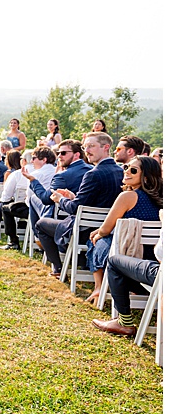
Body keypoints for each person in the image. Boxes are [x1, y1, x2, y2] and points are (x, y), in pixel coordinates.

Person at [36, 132, 125, 278]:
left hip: (86, 231)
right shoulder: (120, 171)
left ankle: (58, 268)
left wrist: (60, 199)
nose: (87, 150)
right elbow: (97, 201)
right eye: (85, 147)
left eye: (91, 146)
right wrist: (73, 196)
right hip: (109, 229)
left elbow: (75, 208)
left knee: (41, 224)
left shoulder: (93, 174)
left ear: (106, 147)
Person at [80, 155, 162, 311]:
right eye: (126, 167)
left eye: (133, 170)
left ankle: (99, 287)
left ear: (145, 176)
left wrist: (98, 233)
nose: (127, 172)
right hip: (153, 262)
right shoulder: (162, 198)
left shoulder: (128, 196)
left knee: (96, 240)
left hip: (128, 259)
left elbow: (105, 229)